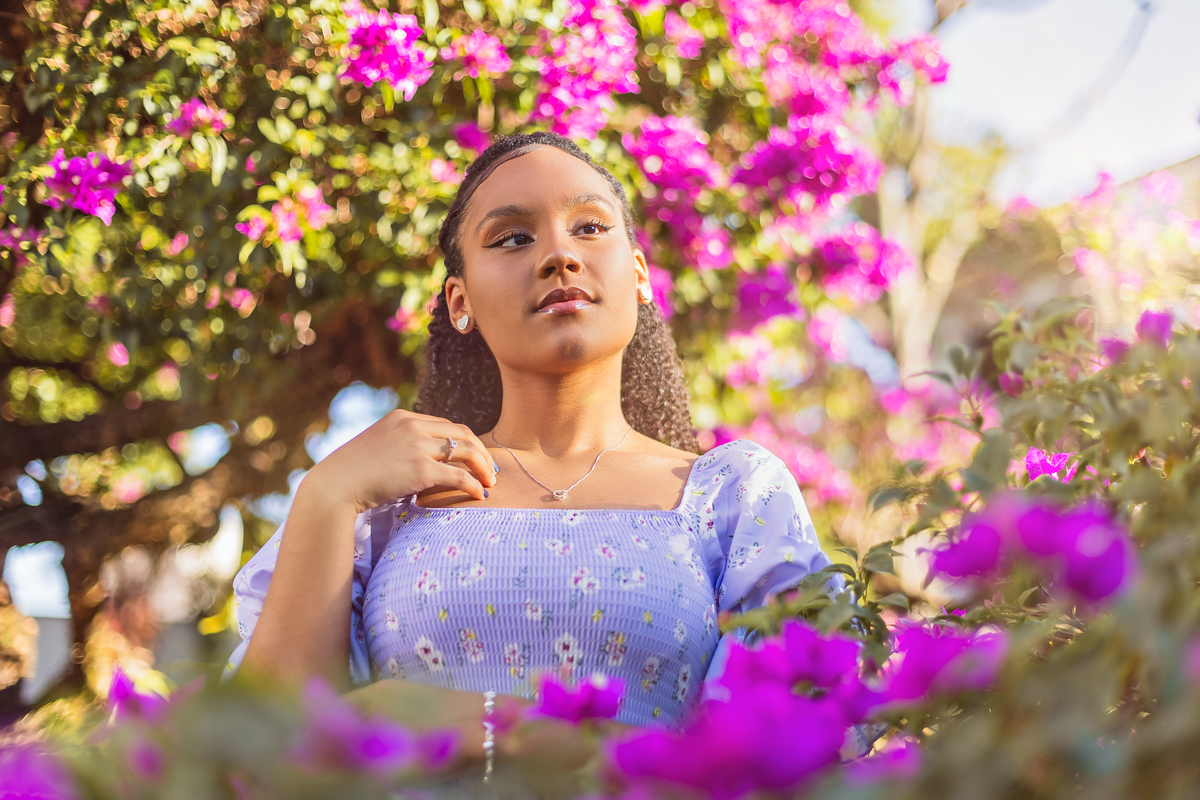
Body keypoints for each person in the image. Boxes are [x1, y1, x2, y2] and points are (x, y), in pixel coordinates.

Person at [227, 131, 834, 786]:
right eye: (513, 238)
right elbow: (257, 754)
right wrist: (328, 494)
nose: (559, 255)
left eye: (590, 227)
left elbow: (786, 759)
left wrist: (490, 727)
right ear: (460, 302)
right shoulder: (382, 507)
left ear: (637, 275)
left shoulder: (735, 499)